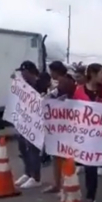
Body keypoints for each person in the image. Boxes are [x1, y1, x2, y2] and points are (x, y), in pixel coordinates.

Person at [72, 63, 102, 202]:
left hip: (98, 136)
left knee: (91, 166)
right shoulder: (78, 91)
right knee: (81, 164)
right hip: (82, 135)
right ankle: (73, 192)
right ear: (93, 75)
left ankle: (90, 197)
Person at [42, 73, 77, 194]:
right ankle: (57, 184)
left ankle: (67, 186)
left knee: (67, 159)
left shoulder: (76, 94)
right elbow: (45, 103)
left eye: (63, 82)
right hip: (57, 130)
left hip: (71, 131)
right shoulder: (55, 93)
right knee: (56, 157)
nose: (60, 84)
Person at [13, 61, 46, 189]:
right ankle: (27, 172)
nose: (22, 74)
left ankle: (36, 177)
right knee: (22, 147)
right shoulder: (24, 85)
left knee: (32, 149)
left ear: (29, 72)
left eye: (24, 72)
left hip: (35, 122)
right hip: (24, 120)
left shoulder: (40, 84)